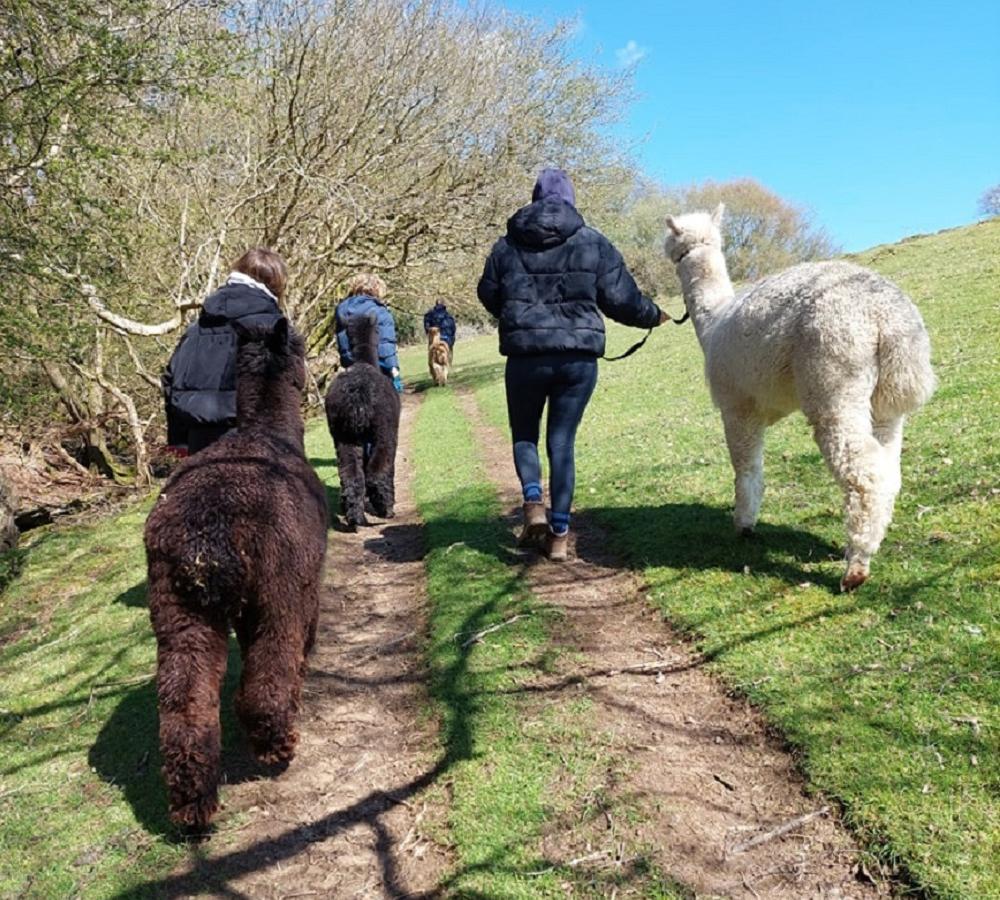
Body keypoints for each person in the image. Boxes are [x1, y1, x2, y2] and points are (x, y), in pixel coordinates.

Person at [477, 168, 668, 560]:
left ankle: (533, 504)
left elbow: (488, 293)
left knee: (525, 434)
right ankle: (560, 537)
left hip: (525, 358)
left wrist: (515, 316)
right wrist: (653, 315)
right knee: (562, 442)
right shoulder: (592, 242)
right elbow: (622, 297)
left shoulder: (506, 245)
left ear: (535, 199)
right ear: (571, 200)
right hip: (577, 360)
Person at [162, 248, 287, 456]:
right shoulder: (274, 326)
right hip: (254, 439)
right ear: (276, 283)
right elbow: (285, 388)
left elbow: (170, 380)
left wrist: (179, 441)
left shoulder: (195, 329)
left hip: (199, 441)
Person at [334, 273, 403, 393]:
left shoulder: (341, 311)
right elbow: (386, 344)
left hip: (353, 370)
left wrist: (349, 365)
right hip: (378, 369)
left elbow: (343, 345)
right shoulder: (380, 311)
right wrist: (394, 370)